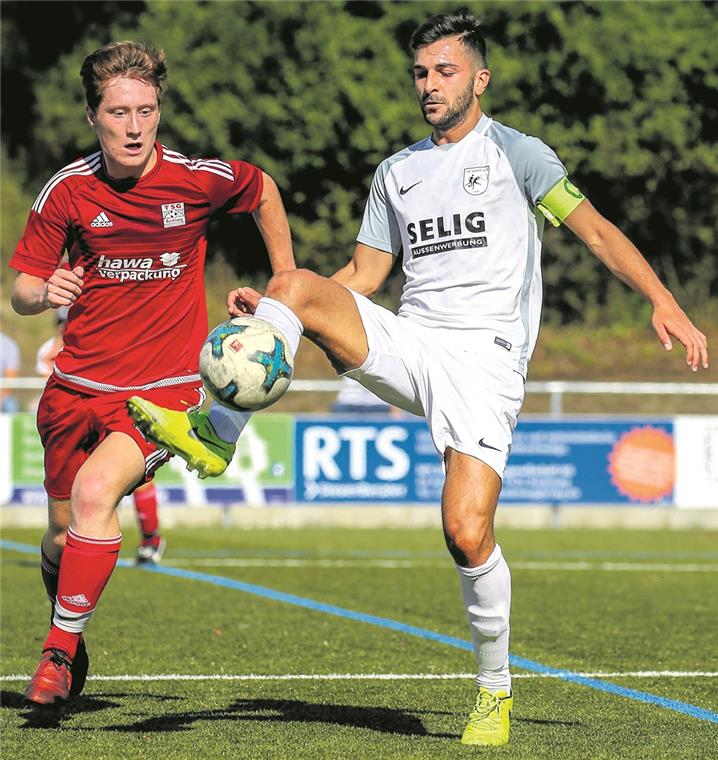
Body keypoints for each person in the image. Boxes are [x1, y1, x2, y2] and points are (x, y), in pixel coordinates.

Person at [128, 13, 709, 746]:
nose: (430, 85)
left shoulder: (518, 155)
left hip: (487, 362)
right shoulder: (396, 173)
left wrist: (662, 299)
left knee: (466, 532)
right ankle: (216, 434)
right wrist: (282, 312)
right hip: (413, 340)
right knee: (297, 283)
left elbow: (593, 229)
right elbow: (366, 278)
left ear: (479, 78)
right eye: (421, 73)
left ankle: (494, 692)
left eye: (445, 71)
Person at [9, 40, 295, 707]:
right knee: (58, 534)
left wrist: (281, 285)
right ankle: (71, 632)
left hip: (162, 393)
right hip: (74, 388)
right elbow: (20, 289)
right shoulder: (67, 192)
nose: (134, 126)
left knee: (93, 495)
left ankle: (55, 657)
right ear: (92, 117)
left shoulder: (196, 179)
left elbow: (264, 190)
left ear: (158, 110)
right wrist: (43, 291)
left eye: (145, 110)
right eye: (118, 112)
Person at [36, 307, 166, 564]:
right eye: (62, 322)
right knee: (80, 493)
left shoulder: (110, 339)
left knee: (135, 479)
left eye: (68, 320)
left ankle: (150, 539)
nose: (66, 327)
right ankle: (79, 547)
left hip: (111, 409)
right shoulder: (48, 351)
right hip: (70, 417)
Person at [0, 331, 21, 412]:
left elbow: (10, 379)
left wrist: (2, 396)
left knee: (11, 406)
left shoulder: (7, 344)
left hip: (1, 392)